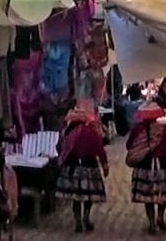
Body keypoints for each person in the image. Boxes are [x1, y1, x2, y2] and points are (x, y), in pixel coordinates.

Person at [56, 100, 109, 234]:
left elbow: (61, 149)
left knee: (76, 197)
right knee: (88, 196)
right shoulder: (91, 131)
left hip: (72, 168)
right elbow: (99, 149)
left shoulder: (67, 133)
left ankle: (78, 220)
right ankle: (86, 217)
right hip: (89, 167)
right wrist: (104, 164)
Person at [126, 101, 166, 234]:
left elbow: (129, 146)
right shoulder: (165, 129)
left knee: (147, 197)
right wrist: (165, 155)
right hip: (162, 166)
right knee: (163, 194)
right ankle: (160, 217)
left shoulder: (137, 129)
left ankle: (151, 223)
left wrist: (142, 149)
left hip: (144, 166)